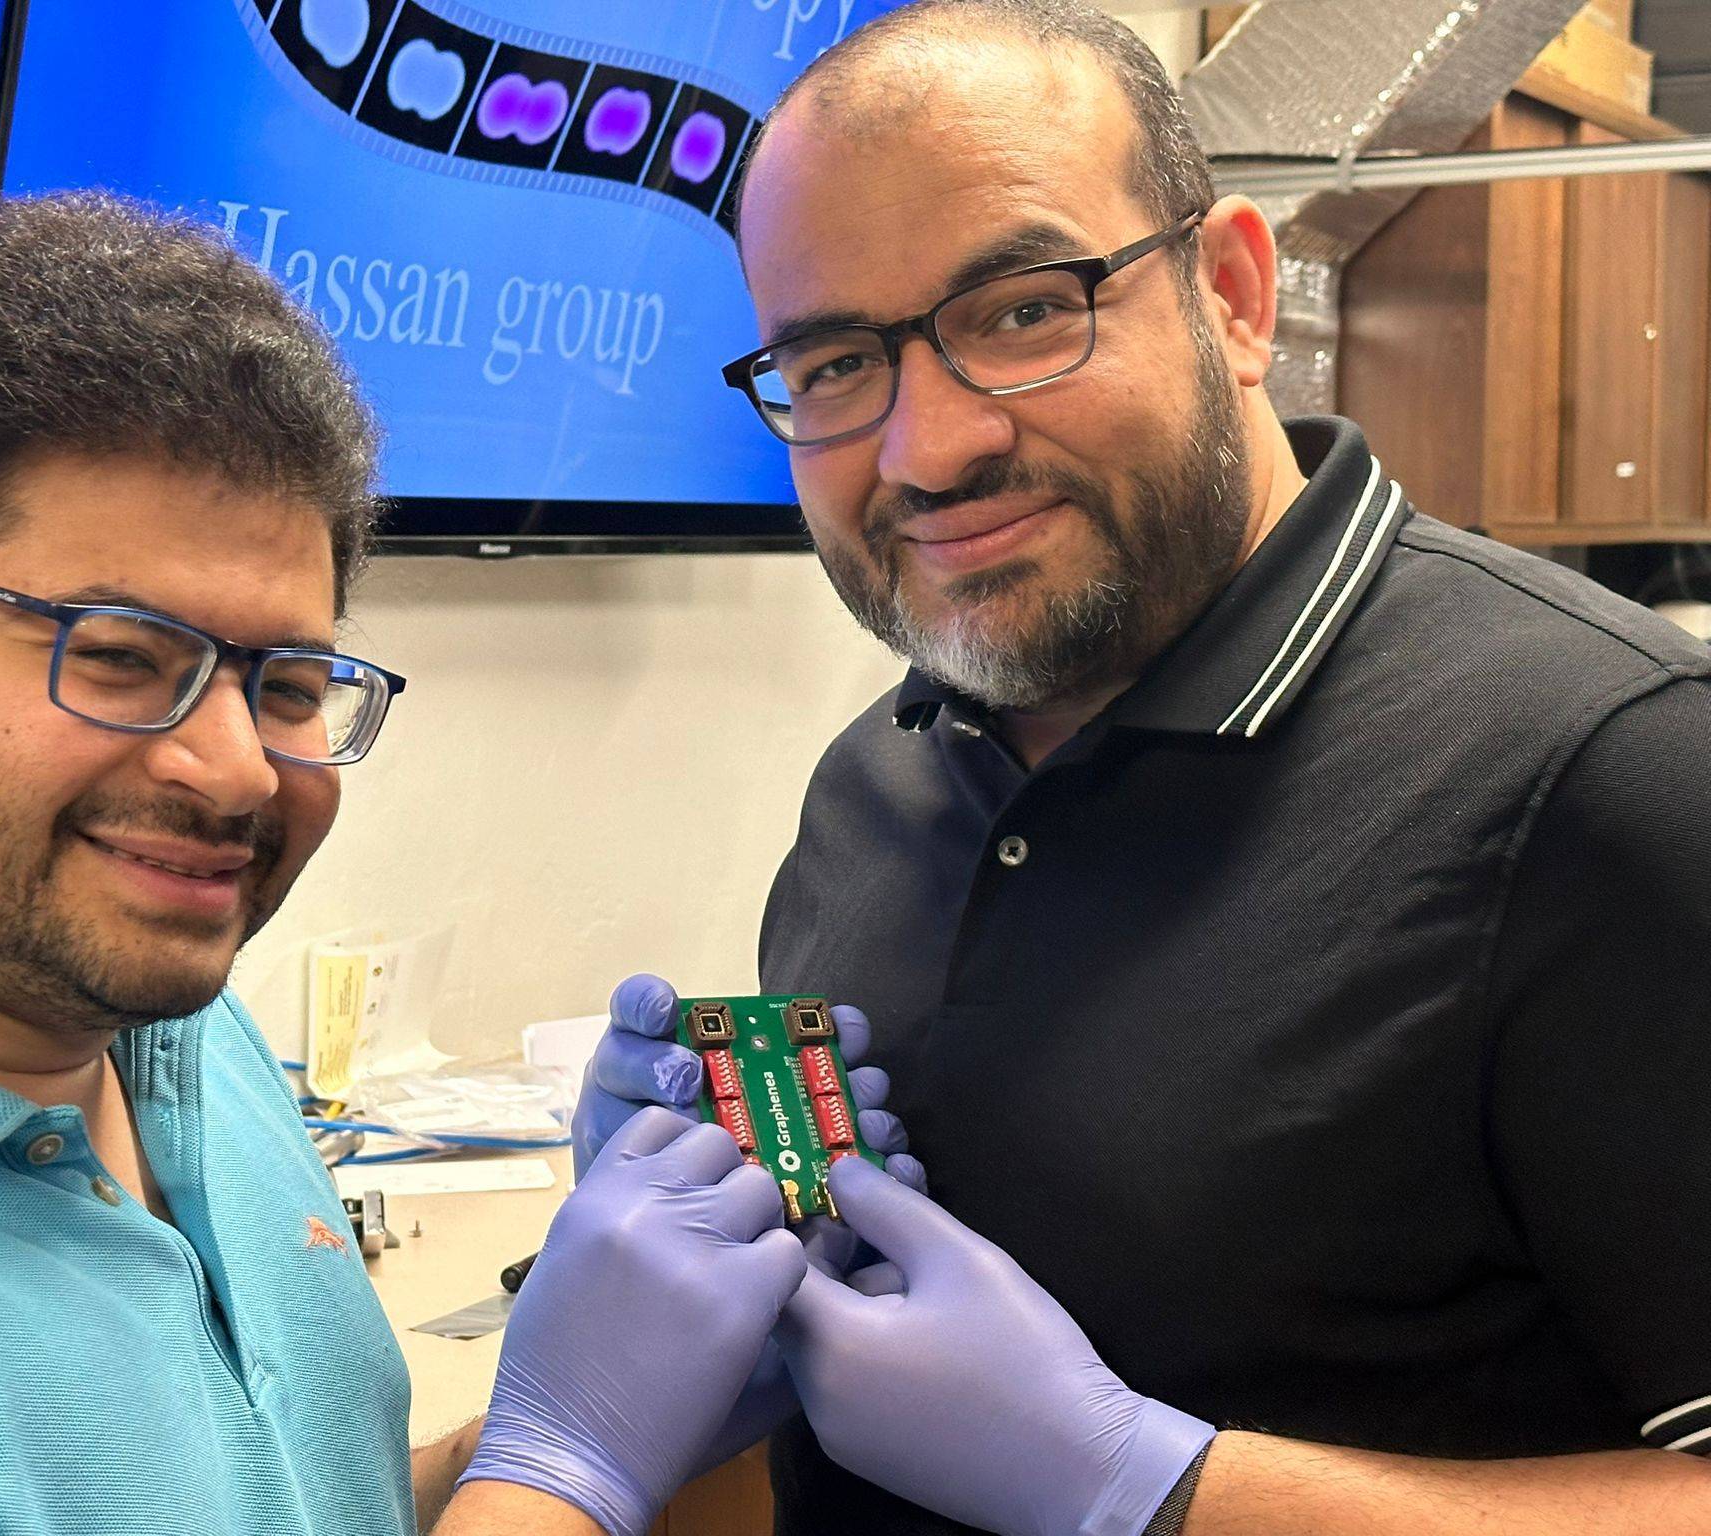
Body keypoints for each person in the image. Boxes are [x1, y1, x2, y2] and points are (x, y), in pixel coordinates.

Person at [577, 1, 1711, 1532]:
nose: (928, 449)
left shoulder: (1622, 774)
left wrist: (1153, 1486)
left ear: (1233, 296)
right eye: (834, 362)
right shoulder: (875, 783)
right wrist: (740, 1263)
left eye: (1022, 312)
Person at [0, 193, 841, 1536]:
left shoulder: (166, 1028)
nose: (235, 772)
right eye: (119, 657)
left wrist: (628, 1402)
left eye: (285, 684)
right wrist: (568, 1461)